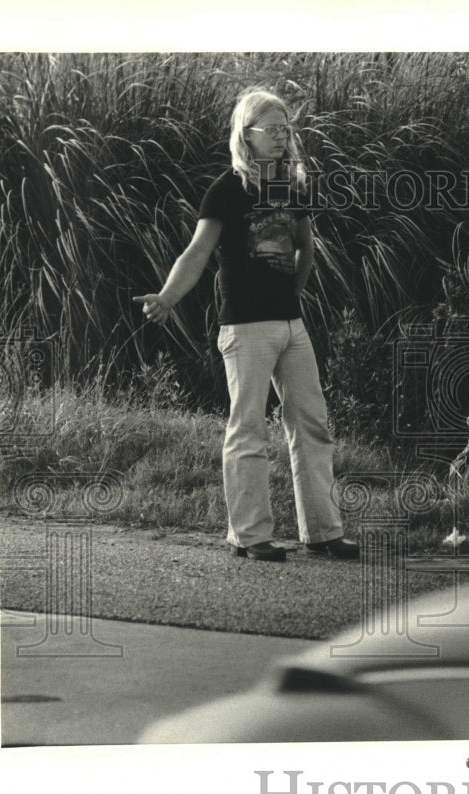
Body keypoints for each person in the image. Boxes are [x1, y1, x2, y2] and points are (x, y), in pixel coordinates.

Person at [133, 88, 358, 562]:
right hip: (246, 327)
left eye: (285, 130)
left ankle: (322, 531)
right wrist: (168, 298)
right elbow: (197, 253)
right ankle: (250, 536)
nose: (281, 138)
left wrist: (293, 297)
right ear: (246, 135)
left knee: (312, 424)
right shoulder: (227, 190)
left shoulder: (292, 188)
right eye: (270, 130)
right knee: (248, 428)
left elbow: (305, 249)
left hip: (291, 326)